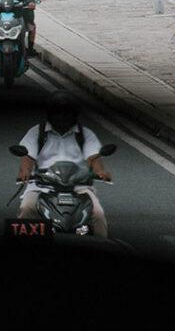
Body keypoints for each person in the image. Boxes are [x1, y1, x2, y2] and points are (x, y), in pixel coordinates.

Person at [15, 91, 111, 238]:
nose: (62, 116)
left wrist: (100, 171)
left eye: (67, 113)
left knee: (98, 214)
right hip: (42, 187)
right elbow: (27, 156)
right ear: (50, 114)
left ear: (74, 114)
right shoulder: (37, 132)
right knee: (26, 209)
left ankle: (103, 248)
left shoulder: (85, 134)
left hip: (78, 188)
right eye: (58, 112)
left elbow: (94, 157)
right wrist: (25, 171)